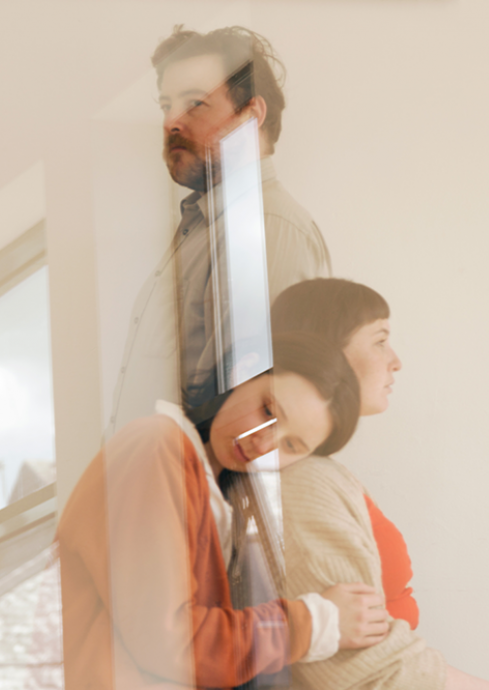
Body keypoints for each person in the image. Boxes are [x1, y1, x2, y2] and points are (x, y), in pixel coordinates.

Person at [58, 333, 389, 690]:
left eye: (291, 445)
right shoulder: (157, 446)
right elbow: (169, 642)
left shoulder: (216, 493)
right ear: (243, 373)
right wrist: (313, 621)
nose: (263, 444)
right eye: (268, 411)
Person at [271, 279, 489, 690]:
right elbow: (358, 669)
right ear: (328, 353)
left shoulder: (321, 472)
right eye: (380, 341)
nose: (395, 361)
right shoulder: (306, 480)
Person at [107, 25, 331, 437]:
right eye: (166, 105)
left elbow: (254, 422)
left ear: (251, 115)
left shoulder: (264, 228)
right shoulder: (201, 227)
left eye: (195, 103)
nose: (172, 121)